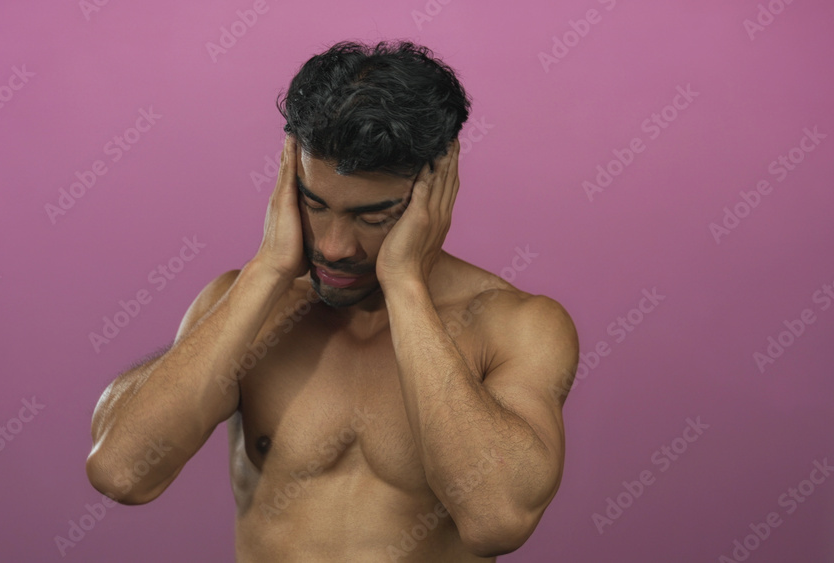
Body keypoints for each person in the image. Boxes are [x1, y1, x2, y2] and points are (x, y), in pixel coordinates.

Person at [86, 40, 578, 562]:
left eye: (374, 216)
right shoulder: (249, 308)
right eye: (313, 203)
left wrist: (405, 284)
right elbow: (121, 474)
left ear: (438, 189)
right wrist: (267, 269)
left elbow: (497, 521)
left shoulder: (516, 326)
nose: (334, 247)